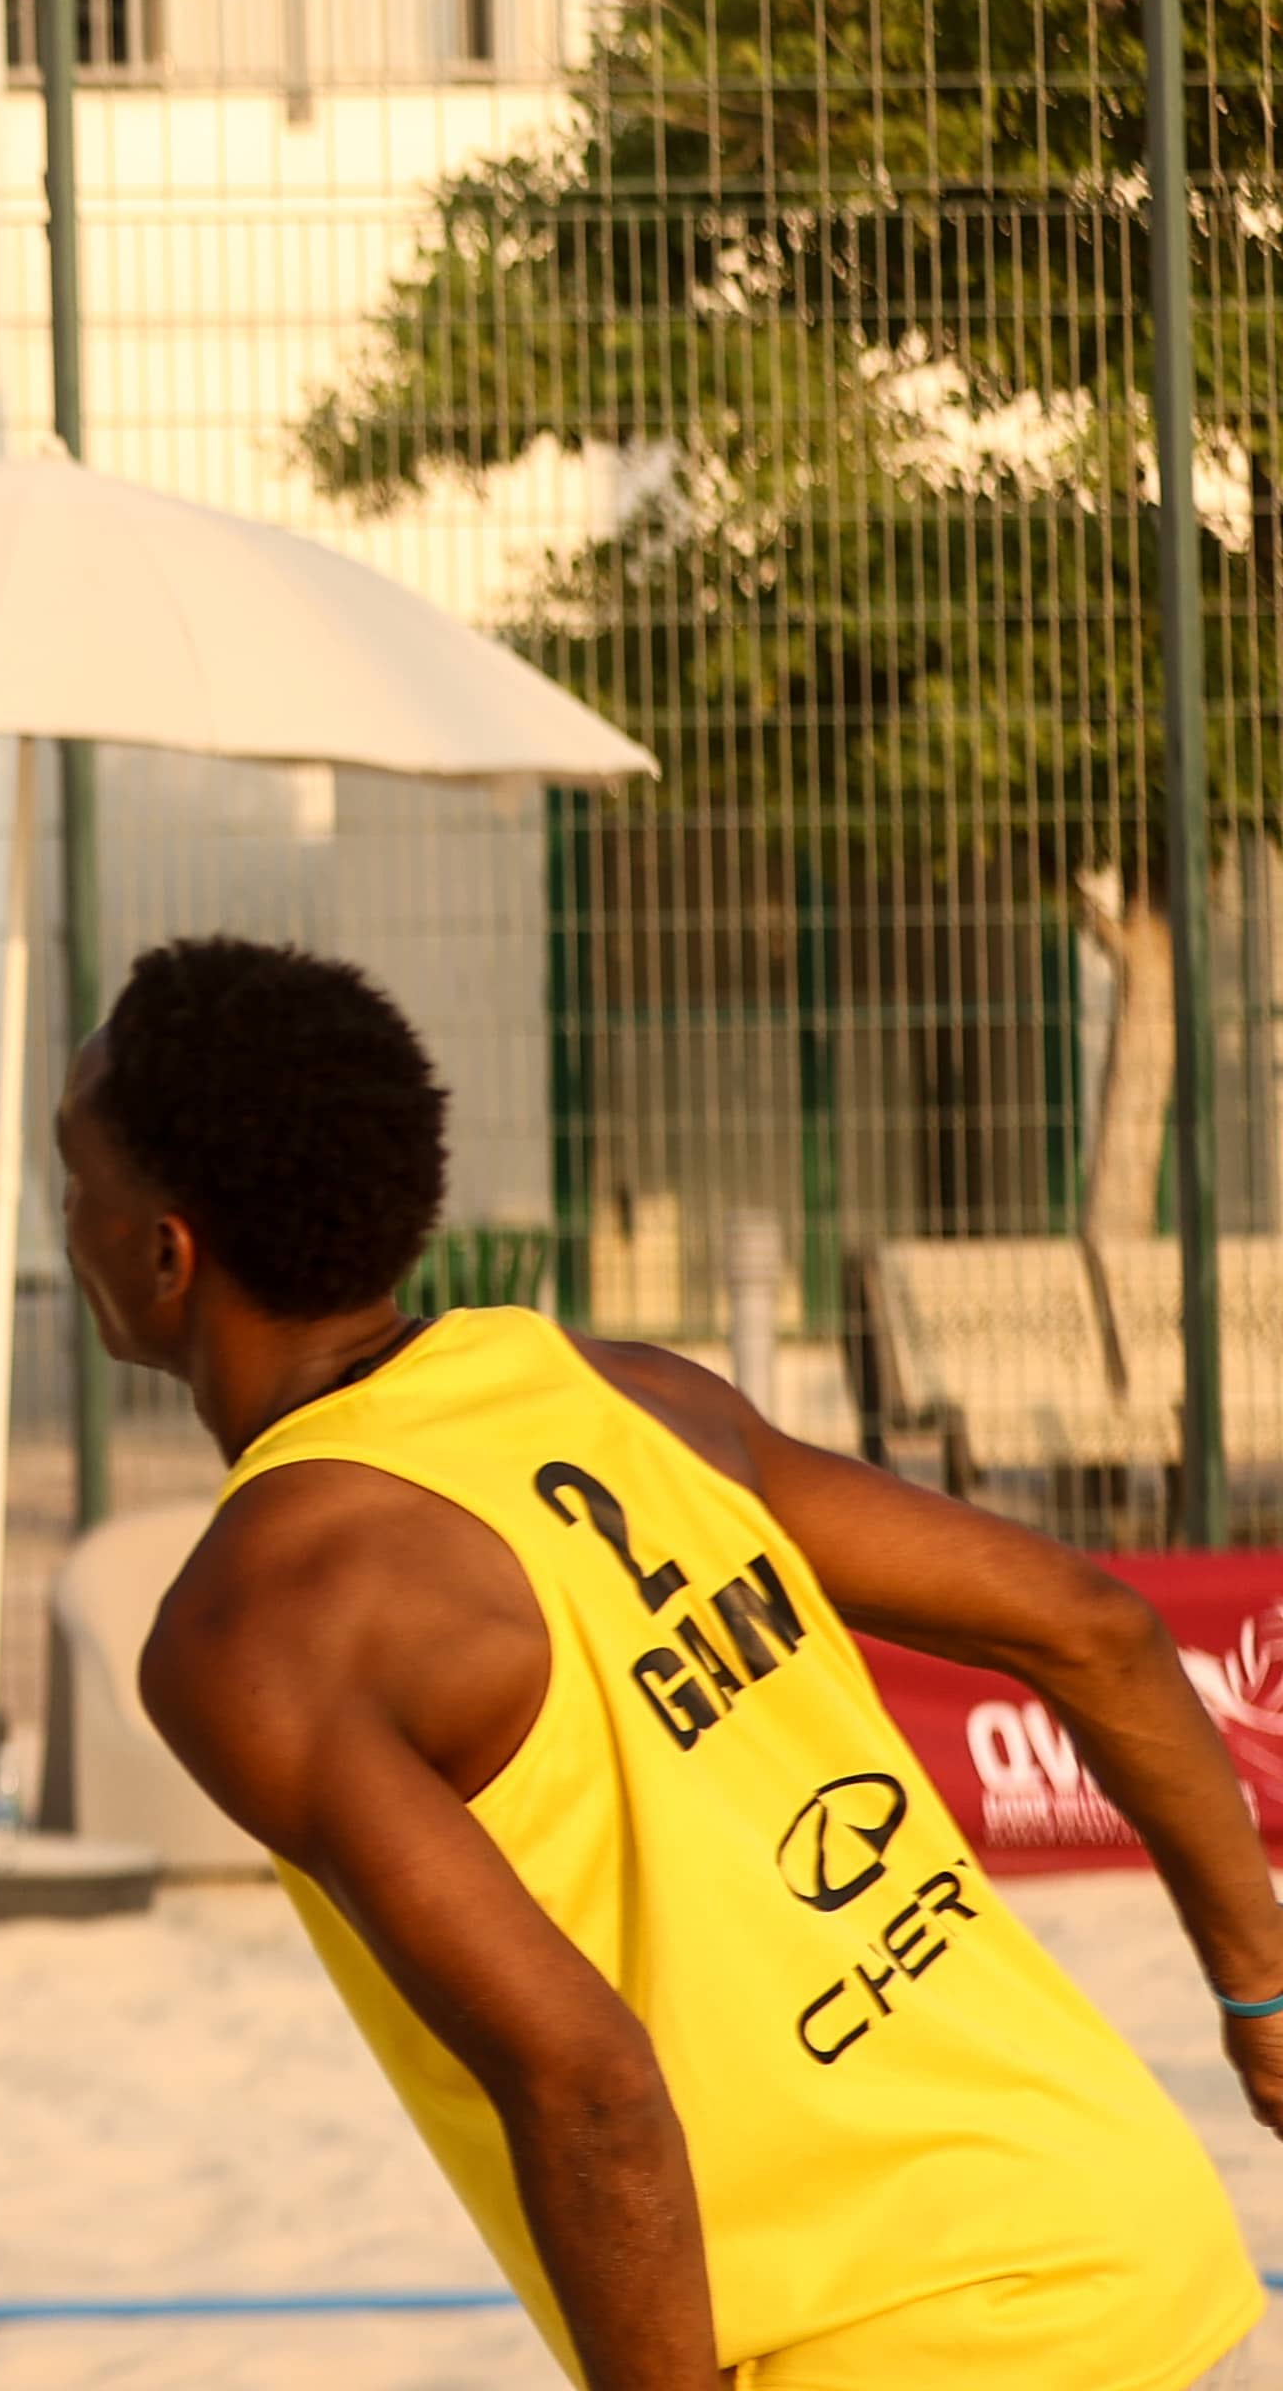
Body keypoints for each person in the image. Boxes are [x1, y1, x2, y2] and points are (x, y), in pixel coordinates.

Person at [78, 934, 1276, 2391]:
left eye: (76, 1174)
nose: (62, 1212)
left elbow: (591, 2086)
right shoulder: (625, 1389)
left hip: (905, 2344)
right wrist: (1261, 2003)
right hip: (1127, 2229)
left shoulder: (253, 1626)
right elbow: (1096, 1626)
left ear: (163, 1250)